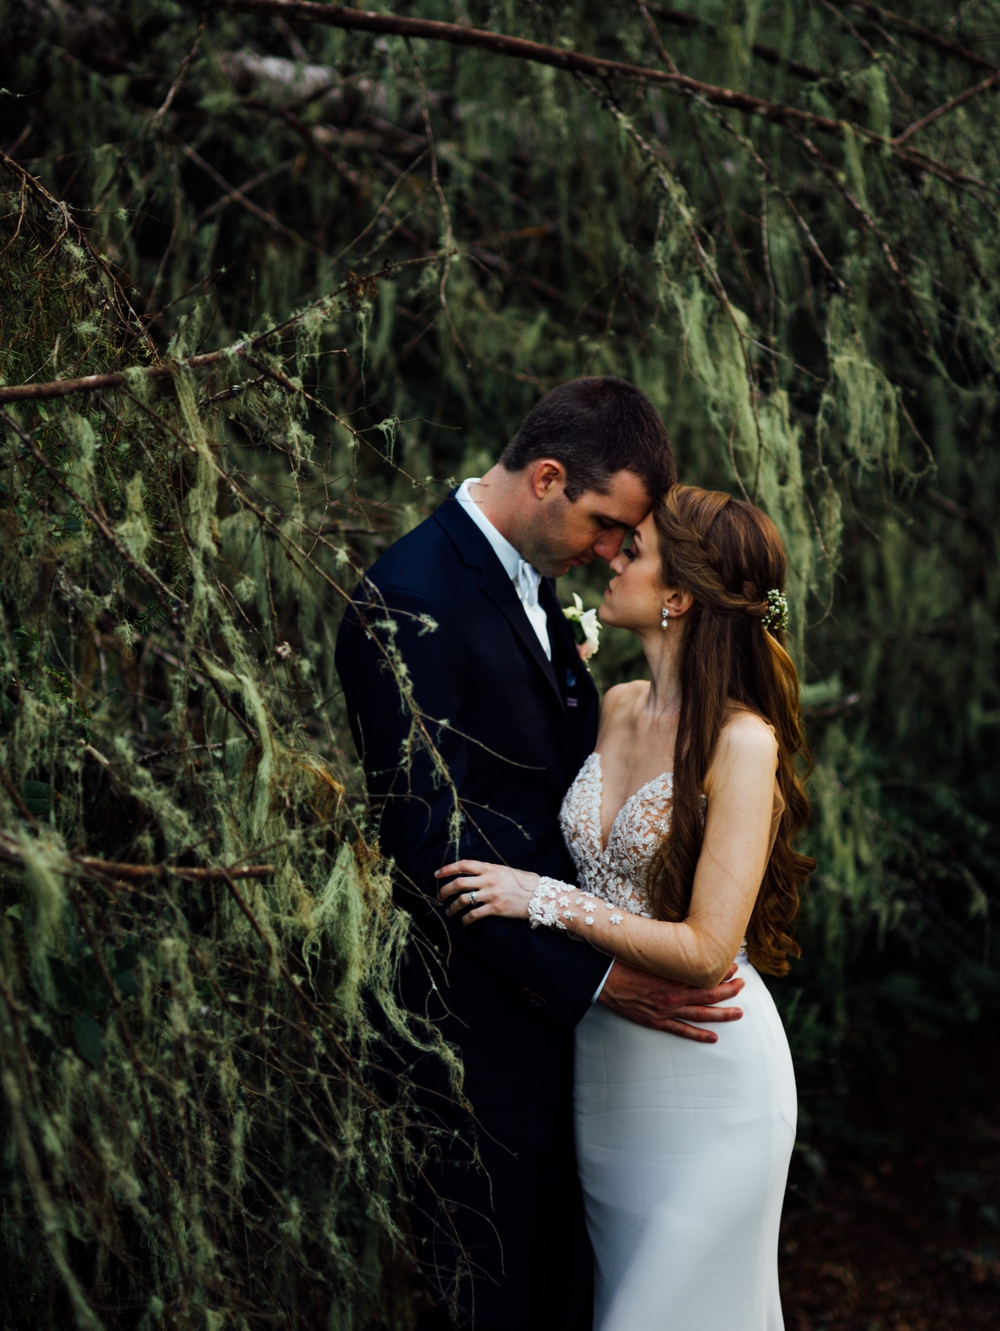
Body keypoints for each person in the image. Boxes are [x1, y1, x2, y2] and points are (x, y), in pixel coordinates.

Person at [334, 380, 745, 1331]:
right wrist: (598, 978)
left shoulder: (537, 585)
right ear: (549, 478)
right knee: (498, 1297)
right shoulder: (408, 596)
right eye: (606, 525)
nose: (611, 553)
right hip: (476, 1039)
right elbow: (426, 841)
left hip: (576, 1040)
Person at [436, 484, 814, 1331]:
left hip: (712, 1070)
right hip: (607, 1077)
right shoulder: (611, 707)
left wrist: (545, 901)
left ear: (678, 596)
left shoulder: (742, 741)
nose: (611, 555)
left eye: (633, 549)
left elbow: (709, 947)